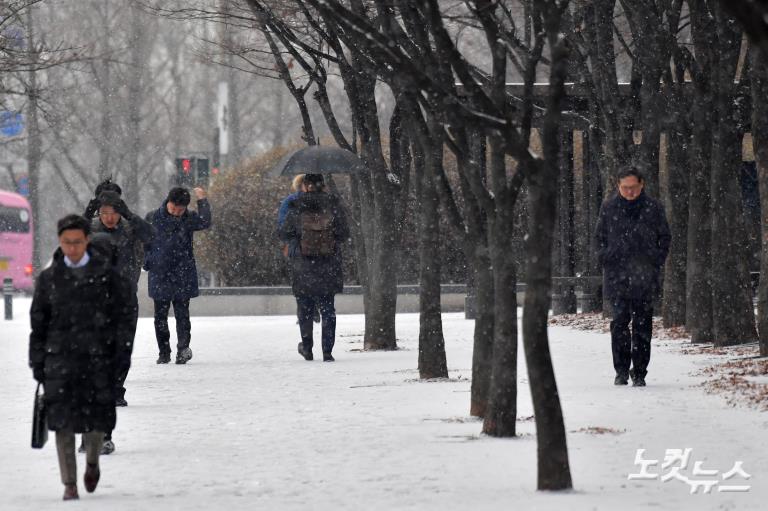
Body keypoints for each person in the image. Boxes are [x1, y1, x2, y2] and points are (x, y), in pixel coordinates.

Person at [29, 215, 134, 500]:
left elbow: (123, 317)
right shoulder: (49, 279)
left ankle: (92, 461)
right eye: (66, 243)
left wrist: (120, 352)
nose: (71, 248)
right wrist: (38, 361)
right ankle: (69, 484)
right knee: (62, 423)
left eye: (76, 242)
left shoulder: (107, 276)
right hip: (59, 361)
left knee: (97, 422)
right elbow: (38, 323)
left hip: (97, 359)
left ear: (87, 240)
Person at [81, 181, 155, 455]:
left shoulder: (130, 228)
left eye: (114, 211)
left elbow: (152, 236)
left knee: (122, 356)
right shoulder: (91, 231)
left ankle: (115, 388)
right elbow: (70, 237)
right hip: (95, 305)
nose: (109, 217)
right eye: (104, 211)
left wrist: (130, 214)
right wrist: (87, 212)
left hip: (125, 301)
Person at [595, 168, 671, 387]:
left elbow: (664, 237)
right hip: (616, 276)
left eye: (633, 187)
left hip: (645, 276)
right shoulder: (608, 207)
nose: (629, 192)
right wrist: (607, 257)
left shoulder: (653, 208)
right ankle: (620, 370)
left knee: (642, 324)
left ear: (642, 185)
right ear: (618, 186)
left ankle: (639, 371)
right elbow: (598, 239)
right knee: (618, 322)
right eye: (625, 187)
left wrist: (655, 259)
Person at [280, 173, 349, 362]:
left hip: (304, 266)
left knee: (305, 308)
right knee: (328, 309)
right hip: (329, 265)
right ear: (323, 186)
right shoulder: (333, 205)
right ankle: (327, 350)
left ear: (306, 186)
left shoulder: (295, 206)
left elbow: (284, 232)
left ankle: (307, 347)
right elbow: (344, 234)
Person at [144, 186, 212, 364]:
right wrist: (147, 260)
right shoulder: (153, 218)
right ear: (168, 202)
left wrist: (202, 200)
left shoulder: (188, 219)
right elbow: (143, 241)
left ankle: (183, 349)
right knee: (160, 316)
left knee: (183, 314)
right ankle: (163, 352)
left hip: (183, 271)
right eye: (173, 208)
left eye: (180, 210)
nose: (176, 213)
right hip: (160, 273)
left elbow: (205, 221)